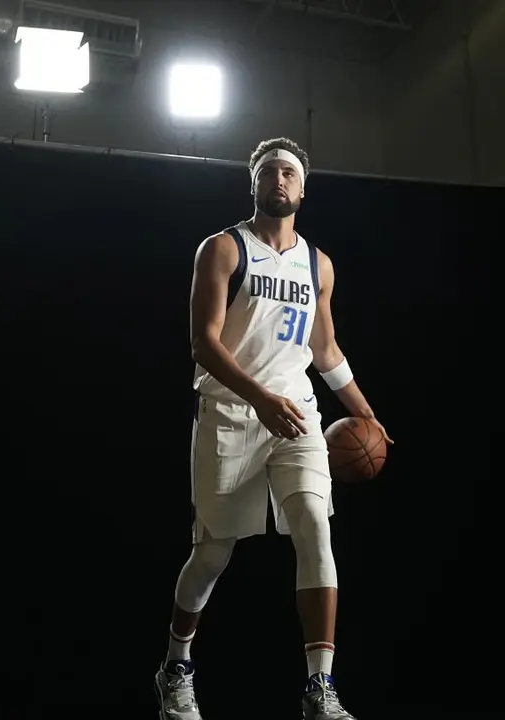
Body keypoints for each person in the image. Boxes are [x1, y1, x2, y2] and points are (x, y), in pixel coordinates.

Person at [154, 138, 393, 720]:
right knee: (212, 554)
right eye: (269, 172)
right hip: (232, 412)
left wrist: (366, 413)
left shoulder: (318, 264)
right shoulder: (223, 249)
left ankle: (320, 687)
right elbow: (202, 343)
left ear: (303, 189)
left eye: (289, 172)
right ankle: (176, 667)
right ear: (253, 184)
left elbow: (325, 346)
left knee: (315, 525)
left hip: (296, 413)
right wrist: (258, 397)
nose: (279, 180)